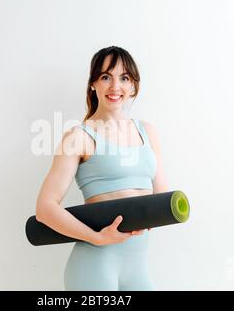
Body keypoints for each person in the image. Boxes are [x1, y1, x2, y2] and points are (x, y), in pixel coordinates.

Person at [35, 46, 168, 290]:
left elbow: (162, 198)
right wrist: (97, 237)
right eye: (106, 76)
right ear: (93, 84)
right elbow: (45, 208)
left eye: (124, 78)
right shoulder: (79, 137)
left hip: (137, 267)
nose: (115, 86)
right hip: (95, 265)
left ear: (133, 86)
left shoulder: (148, 132)